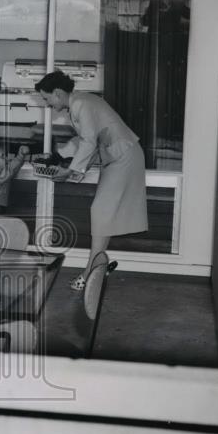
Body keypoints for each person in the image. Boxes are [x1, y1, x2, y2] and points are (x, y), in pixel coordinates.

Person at [34, 70, 148, 293]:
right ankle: (97, 266)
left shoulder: (81, 104)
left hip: (123, 156)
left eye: (46, 98)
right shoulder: (79, 103)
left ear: (57, 93)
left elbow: (88, 141)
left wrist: (70, 172)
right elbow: (87, 140)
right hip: (116, 156)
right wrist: (62, 159)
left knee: (100, 211)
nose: (47, 104)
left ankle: (89, 273)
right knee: (102, 214)